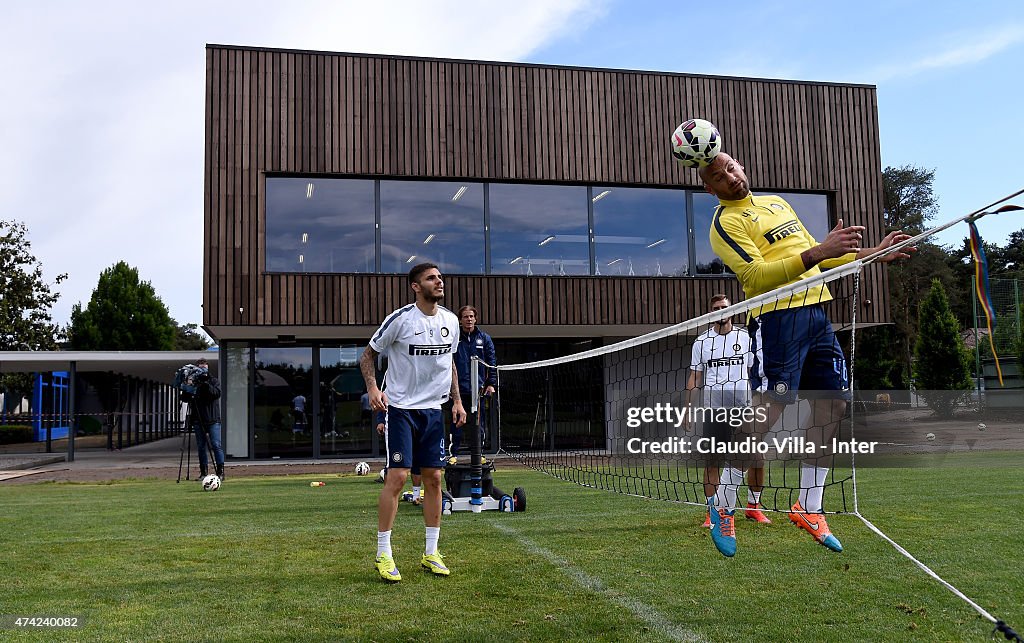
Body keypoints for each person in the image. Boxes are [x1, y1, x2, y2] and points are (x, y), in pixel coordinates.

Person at [701, 152, 913, 555]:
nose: (730, 177)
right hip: (777, 320)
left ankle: (808, 506)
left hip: (817, 314)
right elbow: (755, 276)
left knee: (833, 406)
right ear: (710, 188)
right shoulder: (724, 224)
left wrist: (871, 254)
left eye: (731, 168)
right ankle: (723, 506)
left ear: (742, 166)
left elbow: (820, 256)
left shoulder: (777, 203)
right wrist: (821, 251)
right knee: (767, 414)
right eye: (718, 176)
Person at [359, 262, 466, 582]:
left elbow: (450, 364)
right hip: (401, 410)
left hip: (434, 410)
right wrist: (373, 389)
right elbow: (367, 356)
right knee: (399, 477)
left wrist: (457, 400)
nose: (439, 282)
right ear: (416, 286)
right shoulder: (400, 319)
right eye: (432, 278)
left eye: (440, 277)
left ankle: (431, 552)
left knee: (434, 478)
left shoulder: (451, 321)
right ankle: (383, 554)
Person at [686, 294, 769, 557]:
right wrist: (688, 408)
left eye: (724, 307)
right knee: (713, 461)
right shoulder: (702, 341)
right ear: (711, 313)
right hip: (714, 410)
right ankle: (713, 511)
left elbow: (757, 373)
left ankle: (753, 506)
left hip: (744, 409)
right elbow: (695, 377)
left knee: (757, 458)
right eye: (716, 308)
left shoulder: (746, 338)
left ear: (732, 311)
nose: (721, 311)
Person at [449, 305, 497, 464]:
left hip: (479, 390)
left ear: (475, 319)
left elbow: (492, 363)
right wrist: (449, 388)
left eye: (471, 317)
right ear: (460, 320)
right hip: (458, 391)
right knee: (456, 423)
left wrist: (491, 384)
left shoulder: (484, 338)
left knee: (478, 423)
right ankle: (453, 455)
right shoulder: (455, 338)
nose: (469, 319)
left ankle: (479, 454)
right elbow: (447, 363)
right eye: (465, 317)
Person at [190, 358, 225, 480]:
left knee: (216, 444)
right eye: (201, 369)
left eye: (205, 368)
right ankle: (203, 472)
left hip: (213, 418)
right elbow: (186, 398)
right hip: (198, 419)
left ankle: (220, 472)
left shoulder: (214, 381)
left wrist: (206, 383)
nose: (203, 371)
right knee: (201, 446)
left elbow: (216, 393)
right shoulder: (194, 382)